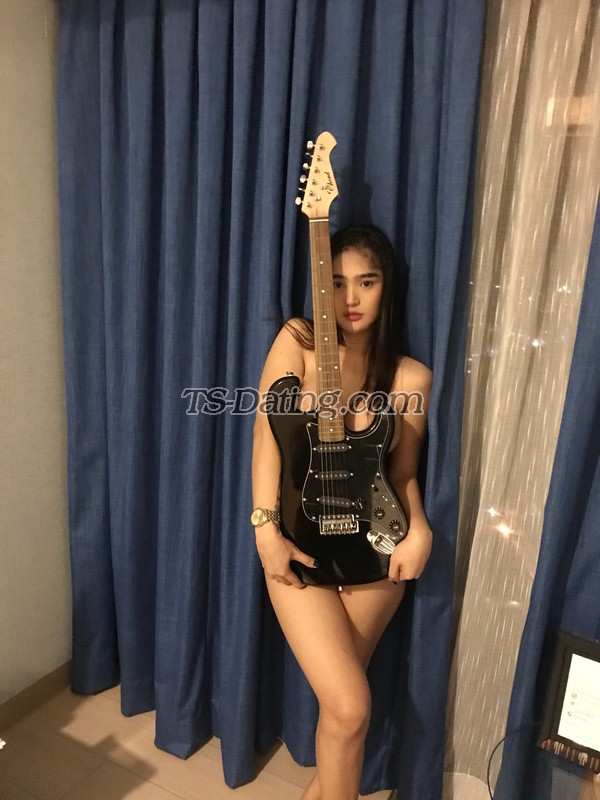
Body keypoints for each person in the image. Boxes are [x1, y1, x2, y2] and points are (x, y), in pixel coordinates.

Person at [251, 225, 433, 800]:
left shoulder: (409, 377)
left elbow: (402, 474)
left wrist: (419, 530)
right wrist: (265, 530)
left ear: (386, 288)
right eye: (335, 282)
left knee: (343, 714)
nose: (350, 298)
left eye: (366, 282)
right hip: (298, 548)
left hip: (376, 548)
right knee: (351, 707)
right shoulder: (297, 341)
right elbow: (266, 438)